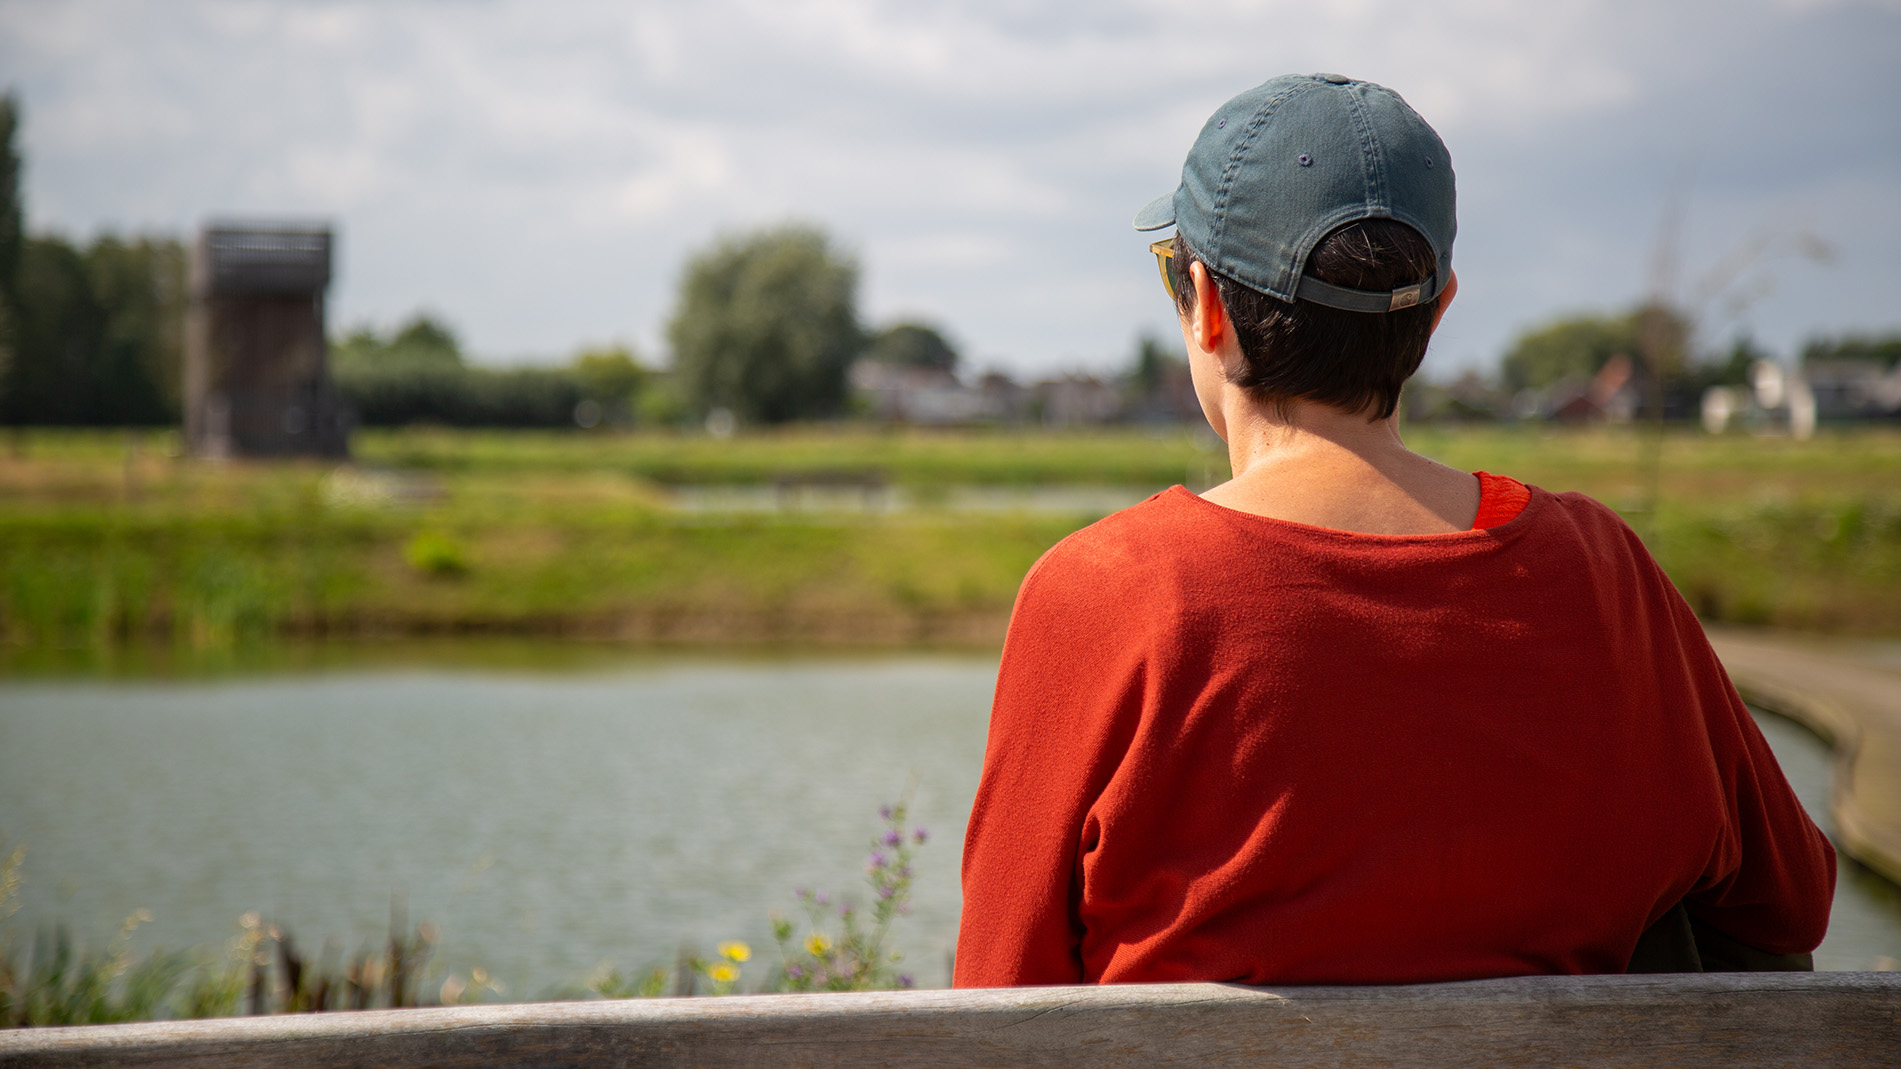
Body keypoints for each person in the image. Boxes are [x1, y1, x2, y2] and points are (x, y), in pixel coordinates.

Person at [953, 73, 1834, 987]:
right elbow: (1788, 901)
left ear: (1207, 305)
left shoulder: (1105, 587)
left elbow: (998, 991)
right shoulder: (1600, 569)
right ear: (1439, 309)